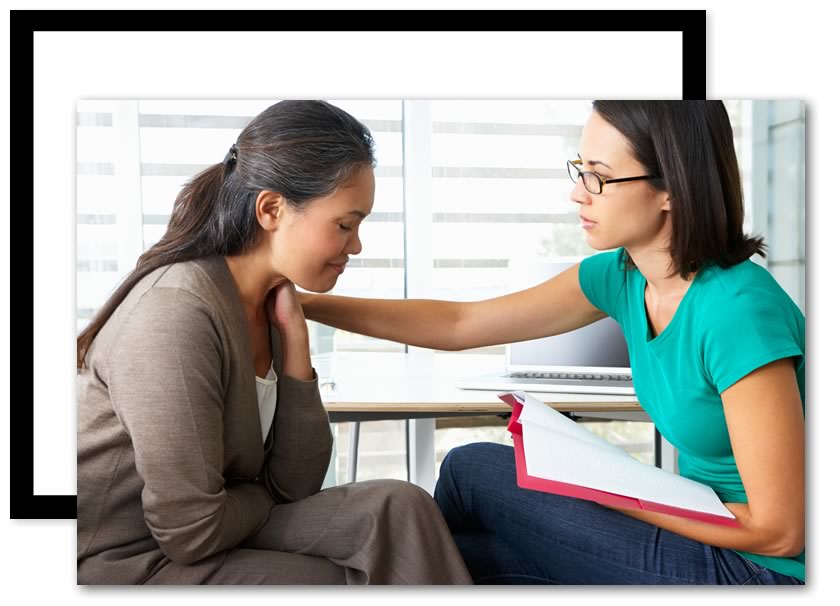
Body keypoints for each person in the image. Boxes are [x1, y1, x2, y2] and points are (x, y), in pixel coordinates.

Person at [299, 101, 806, 585]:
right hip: (706, 540)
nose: (578, 192)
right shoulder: (623, 277)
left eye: (599, 176)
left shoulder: (737, 312)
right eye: (579, 169)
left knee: (470, 469)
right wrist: (307, 305)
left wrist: (608, 490)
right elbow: (460, 324)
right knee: (456, 561)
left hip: (763, 571)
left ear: (671, 186)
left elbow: (781, 531)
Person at [76, 100, 472, 585]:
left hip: (217, 528)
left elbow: (295, 483)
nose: (357, 246)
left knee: (399, 506)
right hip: (128, 560)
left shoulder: (270, 306)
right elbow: (191, 531)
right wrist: (260, 493)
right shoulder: (175, 314)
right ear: (271, 209)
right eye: (345, 225)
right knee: (336, 579)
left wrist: (296, 347)